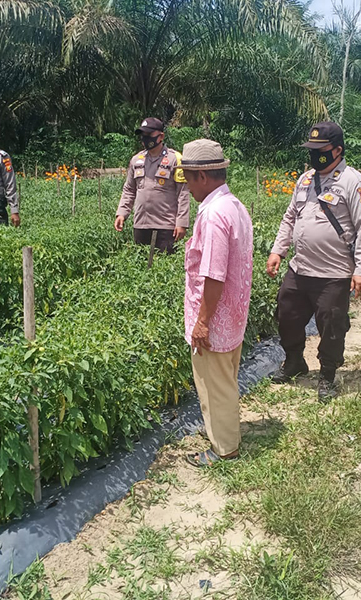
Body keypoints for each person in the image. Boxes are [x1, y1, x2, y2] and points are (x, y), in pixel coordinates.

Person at [266, 122, 361, 400]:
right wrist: (278, 250)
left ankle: (327, 374)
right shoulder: (305, 179)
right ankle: (294, 362)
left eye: (321, 150)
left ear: (338, 150)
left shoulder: (353, 182)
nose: (315, 155)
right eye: (312, 150)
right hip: (300, 268)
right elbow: (290, 217)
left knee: (331, 324)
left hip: (334, 273)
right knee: (287, 316)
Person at [181, 139, 253, 467]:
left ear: (203, 177)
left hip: (216, 319)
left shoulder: (212, 214)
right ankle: (225, 435)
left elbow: (213, 274)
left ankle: (225, 449)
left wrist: (202, 321)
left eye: (188, 177)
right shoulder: (234, 205)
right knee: (226, 379)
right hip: (234, 314)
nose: (186, 185)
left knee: (215, 386)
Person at [114, 118, 190, 253]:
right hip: (141, 224)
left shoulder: (175, 159)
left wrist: (182, 223)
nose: (145, 138)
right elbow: (129, 190)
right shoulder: (136, 160)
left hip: (166, 226)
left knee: (164, 268)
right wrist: (122, 213)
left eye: (149, 135)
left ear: (161, 136)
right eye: (143, 135)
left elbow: (183, 193)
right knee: (141, 267)